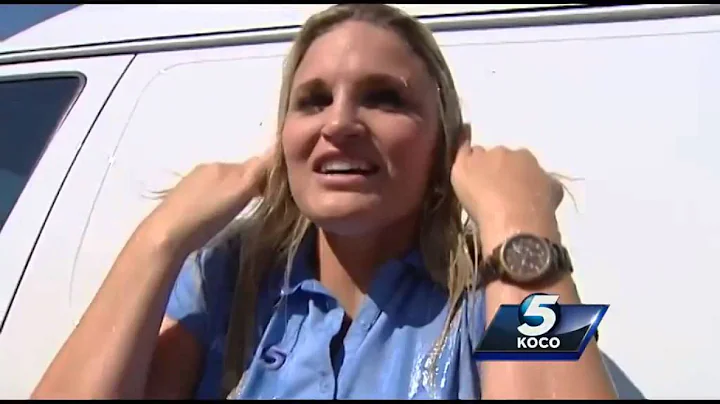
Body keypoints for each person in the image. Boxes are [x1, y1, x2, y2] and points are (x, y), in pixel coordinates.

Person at [31, 4, 617, 400]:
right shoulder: (224, 282)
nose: (339, 122)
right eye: (312, 101)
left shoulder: (489, 296)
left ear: (446, 142)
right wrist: (159, 239)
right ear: (283, 139)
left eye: (384, 98)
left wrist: (520, 227)